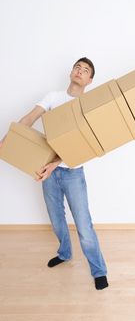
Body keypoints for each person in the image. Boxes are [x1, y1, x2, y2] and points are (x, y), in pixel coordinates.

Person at [0, 58, 108, 290]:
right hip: (47, 170)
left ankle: (98, 270)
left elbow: (83, 145)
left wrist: (55, 164)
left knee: (83, 224)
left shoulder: (87, 105)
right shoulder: (53, 97)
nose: (80, 71)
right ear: (71, 72)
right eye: (77, 67)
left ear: (90, 80)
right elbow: (29, 118)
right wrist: (10, 138)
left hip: (72, 173)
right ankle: (64, 253)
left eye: (85, 70)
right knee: (57, 220)